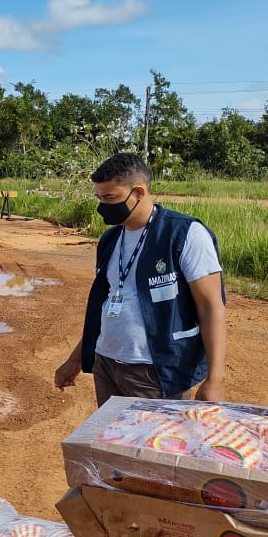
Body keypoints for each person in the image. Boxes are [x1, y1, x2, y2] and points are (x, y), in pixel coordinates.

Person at [54, 152, 226, 406]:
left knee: (156, 443)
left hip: (155, 372)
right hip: (107, 364)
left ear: (139, 192)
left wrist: (216, 378)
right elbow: (108, 305)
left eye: (110, 197)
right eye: (99, 198)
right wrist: (76, 359)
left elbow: (211, 306)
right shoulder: (111, 240)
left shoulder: (184, 234)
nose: (103, 205)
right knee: (112, 443)